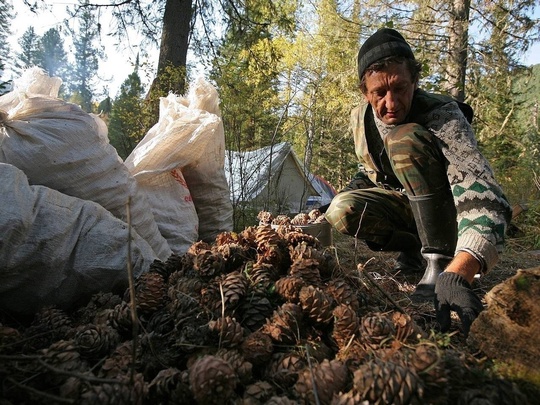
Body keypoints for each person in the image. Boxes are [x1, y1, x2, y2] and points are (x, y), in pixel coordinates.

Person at [324, 28, 512, 335]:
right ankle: (415, 250)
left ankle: (439, 260)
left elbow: (486, 198)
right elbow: (370, 173)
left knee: (403, 141)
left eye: (400, 88)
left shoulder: (444, 117)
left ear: (415, 80)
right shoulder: (361, 119)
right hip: (408, 205)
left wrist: (459, 273)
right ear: (364, 91)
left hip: (450, 213)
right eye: (378, 94)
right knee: (340, 209)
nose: (391, 103)